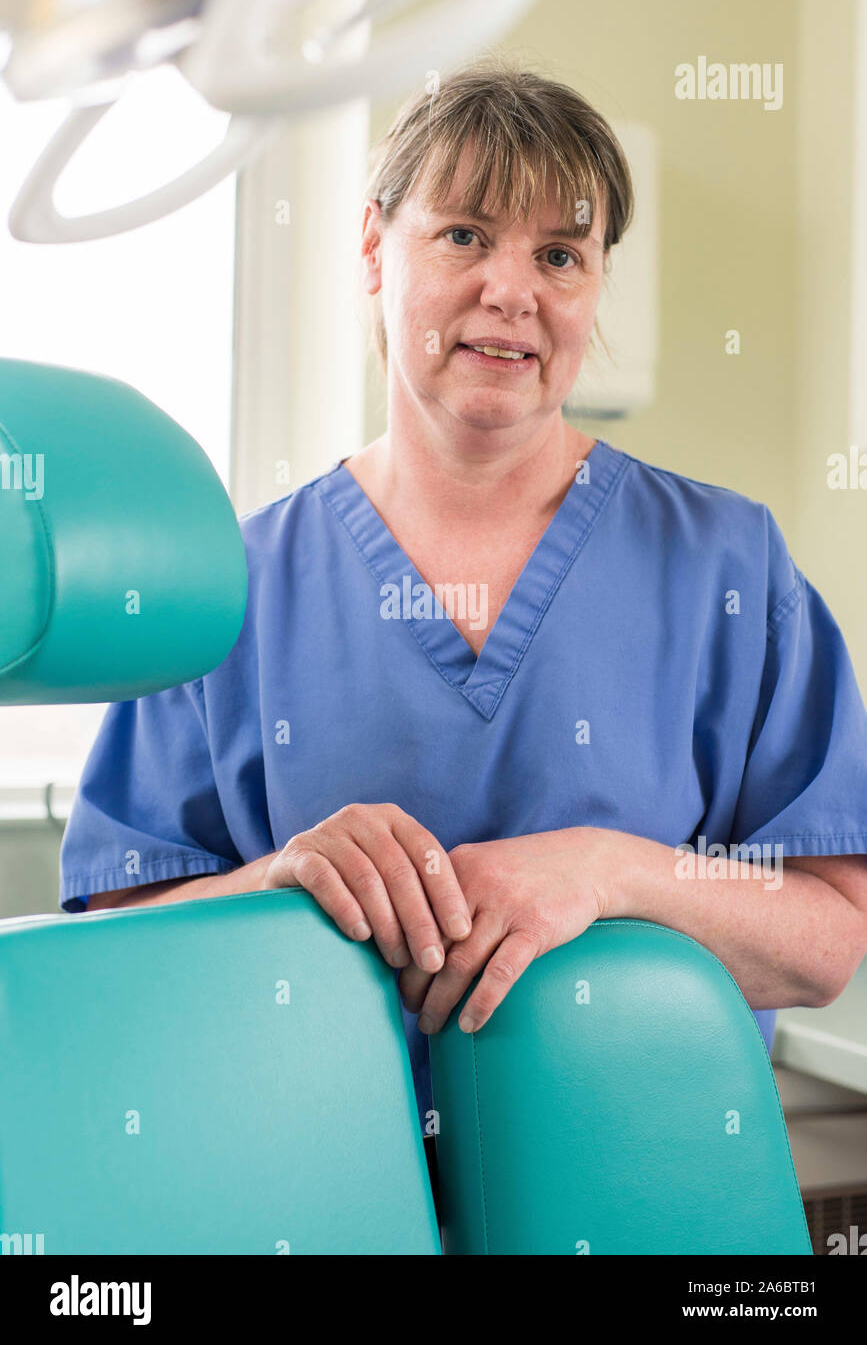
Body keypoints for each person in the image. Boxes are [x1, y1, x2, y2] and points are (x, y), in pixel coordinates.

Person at [61, 59, 867, 1139]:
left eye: (560, 254)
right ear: (371, 247)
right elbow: (111, 945)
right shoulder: (234, 590)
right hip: (312, 1181)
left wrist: (608, 871)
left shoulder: (728, 565)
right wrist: (277, 882)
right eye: (464, 235)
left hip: (645, 1181)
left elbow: (826, 940)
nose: (512, 291)